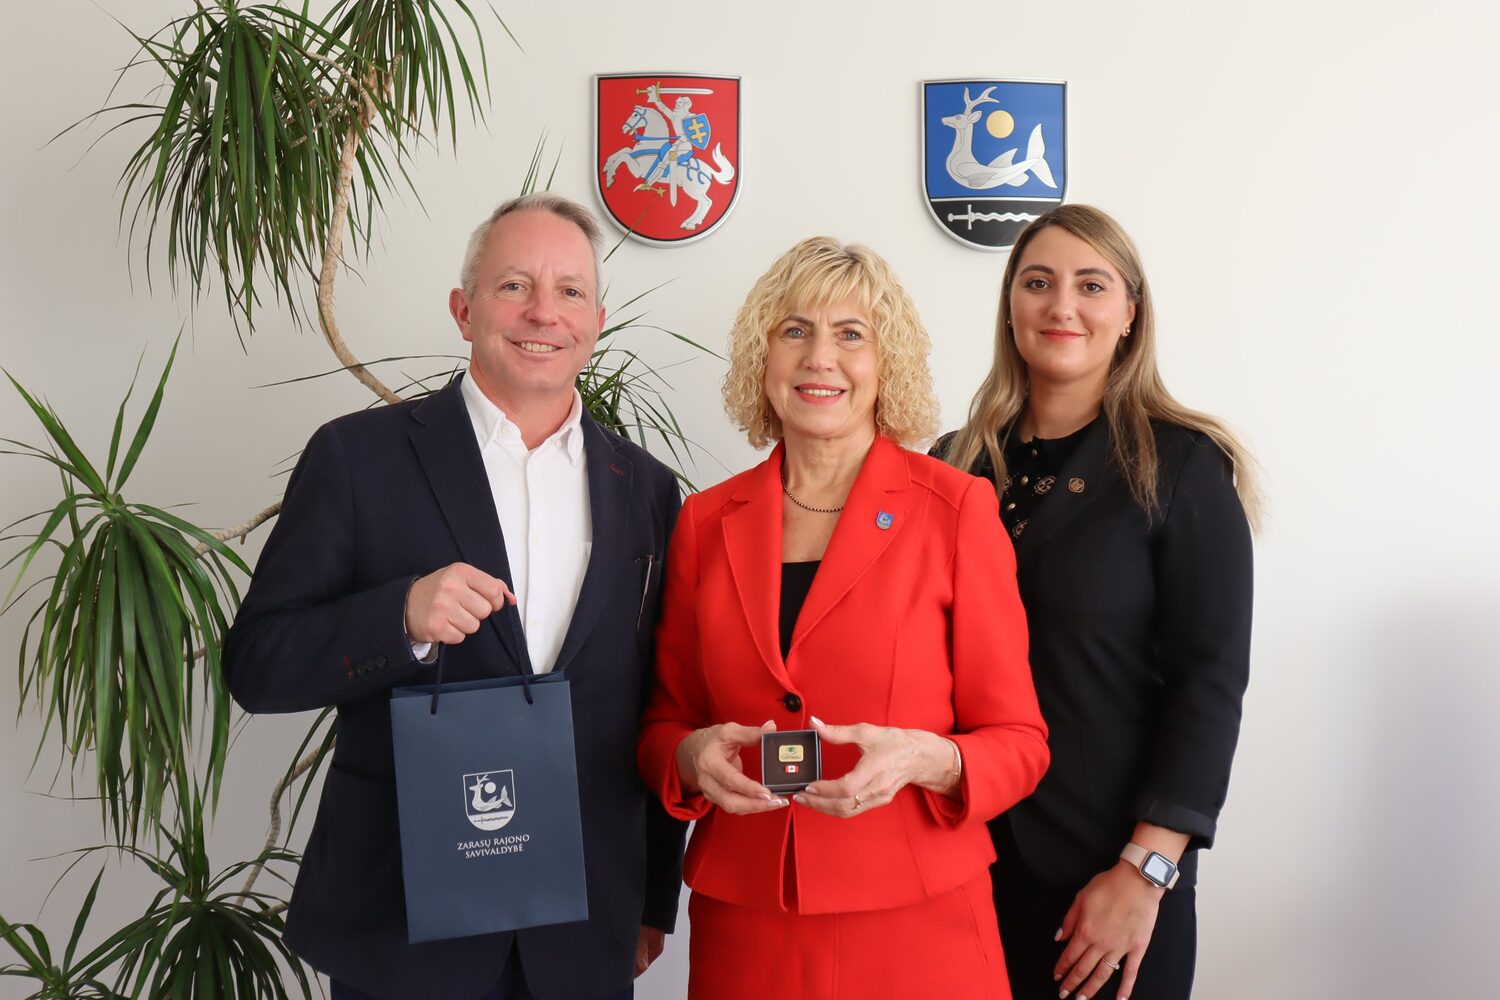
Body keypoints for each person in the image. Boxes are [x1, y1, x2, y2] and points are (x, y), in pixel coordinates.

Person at [222, 193, 686, 1000]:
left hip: (582, 925)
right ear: (463, 309)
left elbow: (657, 698)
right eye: (514, 285)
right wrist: (399, 618)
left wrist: (650, 898)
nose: (544, 312)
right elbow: (256, 666)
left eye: (570, 291)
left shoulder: (644, 487)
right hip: (403, 924)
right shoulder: (356, 458)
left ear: (597, 320)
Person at [637, 237, 1051, 999]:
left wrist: (924, 758)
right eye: (794, 330)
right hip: (748, 932)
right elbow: (664, 724)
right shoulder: (703, 521)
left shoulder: (956, 510)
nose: (819, 357)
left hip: (919, 928)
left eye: (850, 334)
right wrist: (692, 757)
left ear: (886, 362)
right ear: (762, 357)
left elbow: (1020, 743)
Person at [934, 204, 1258, 1000]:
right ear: (1010, 305)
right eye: (1037, 283)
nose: (1062, 306)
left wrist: (1146, 872)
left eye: (1091, 285)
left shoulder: (1181, 466)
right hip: (961, 865)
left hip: (1110, 882)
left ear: (1130, 312)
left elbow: (1209, 685)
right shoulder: (953, 464)